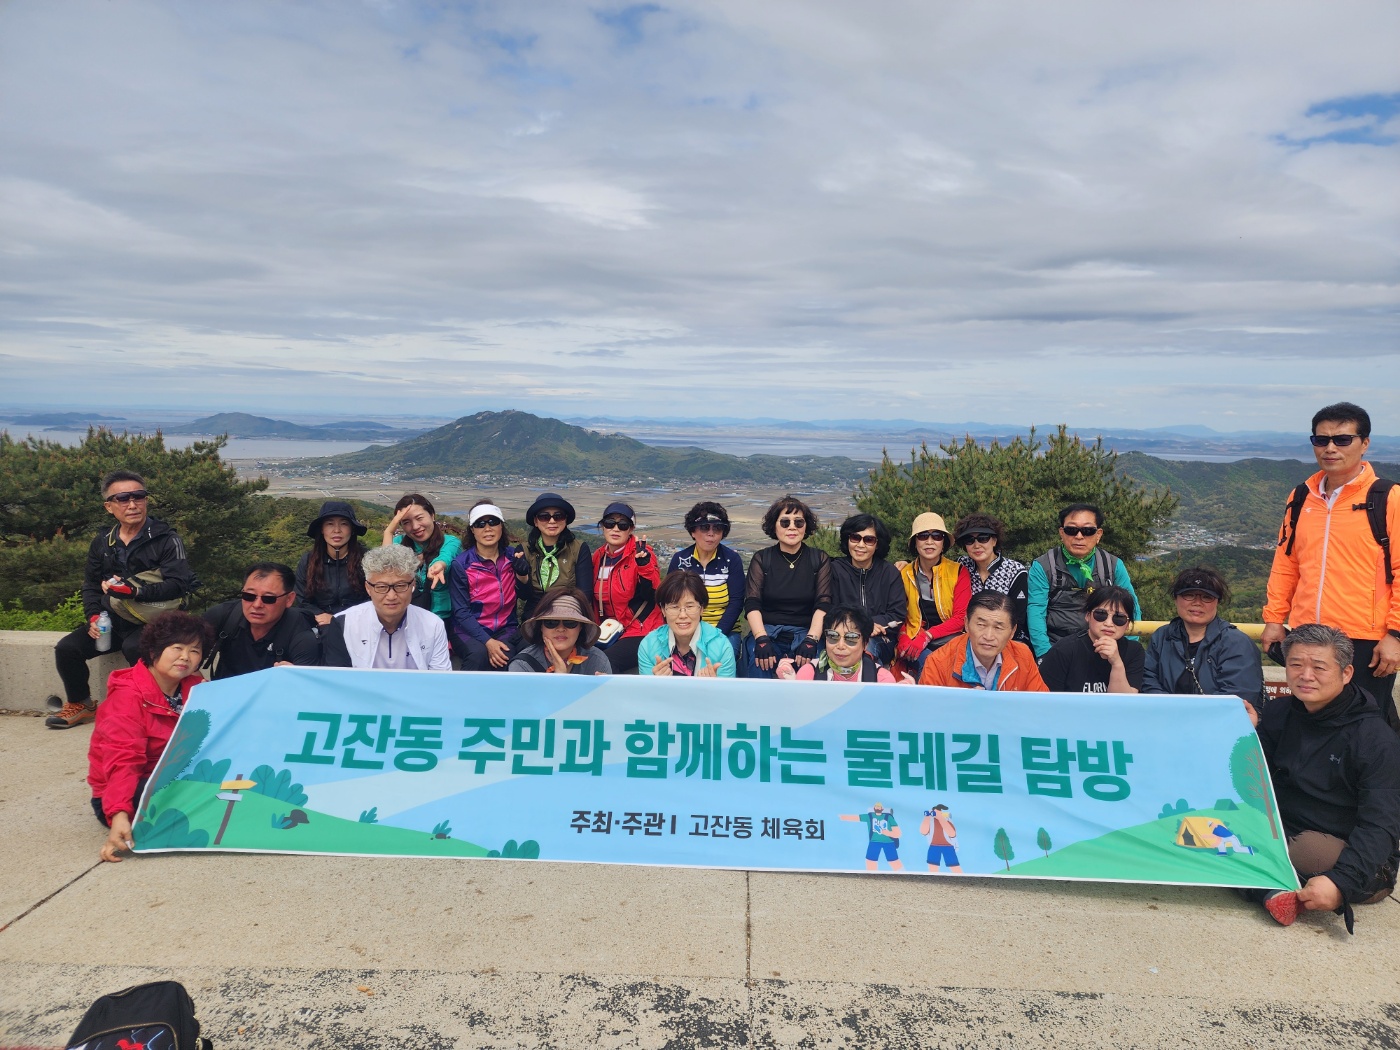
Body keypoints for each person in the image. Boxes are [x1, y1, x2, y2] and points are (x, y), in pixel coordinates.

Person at [1241, 624, 1400, 930]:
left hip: (1346, 848)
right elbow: (1250, 780)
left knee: (1309, 852)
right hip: (1285, 827)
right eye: (1296, 665)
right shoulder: (1279, 713)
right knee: (1215, 828)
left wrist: (1341, 882)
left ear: (1347, 673)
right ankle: (1271, 890)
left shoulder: (1374, 738)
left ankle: (1268, 880)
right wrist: (1245, 734)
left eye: (1319, 667)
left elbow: (1382, 824)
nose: (1306, 675)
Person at [1261, 402, 1400, 729]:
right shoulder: (1300, 498)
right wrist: (1273, 619)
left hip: (1365, 640)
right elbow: (1286, 563)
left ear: (1364, 443)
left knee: (1365, 729)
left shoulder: (1388, 498)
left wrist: (1395, 634)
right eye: (1321, 440)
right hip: (1307, 633)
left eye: (1342, 440)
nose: (1330, 448)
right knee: (1311, 722)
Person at [49, 470, 199, 729]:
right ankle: (81, 704)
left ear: (146, 500)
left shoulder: (166, 539)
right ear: (109, 506)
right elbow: (91, 585)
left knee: (135, 648)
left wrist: (136, 591)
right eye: (122, 498)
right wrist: (94, 616)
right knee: (67, 649)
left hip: (156, 620)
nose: (132, 504)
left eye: (139, 496)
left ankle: (158, 709)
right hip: (114, 619)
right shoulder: (103, 542)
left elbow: (179, 585)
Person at [88, 611, 212, 862]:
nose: (185, 657)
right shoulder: (127, 699)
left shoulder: (196, 689)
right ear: (154, 651)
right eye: (176, 648)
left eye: (195, 651)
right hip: (131, 790)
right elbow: (122, 760)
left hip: (172, 777)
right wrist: (119, 814)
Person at [1026, 503, 1141, 659]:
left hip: (1103, 647)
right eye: (1071, 530)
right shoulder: (1043, 566)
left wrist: (1125, 651)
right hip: (1057, 645)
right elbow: (1036, 611)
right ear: (1062, 533)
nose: (1079, 536)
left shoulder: (1113, 566)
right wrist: (1045, 654)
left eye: (1088, 531)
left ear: (1098, 534)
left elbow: (1131, 607)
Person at [1142, 567, 1265, 709]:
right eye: (1189, 595)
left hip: (1219, 726)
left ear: (1217, 602)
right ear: (1175, 599)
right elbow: (1148, 680)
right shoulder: (1162, 637)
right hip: (1166, 720)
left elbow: (1237, 697)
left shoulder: (1236, 643)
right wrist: (1168, 711)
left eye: (1206, 597)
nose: (1197, 602)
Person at [743, 495, 833, 679]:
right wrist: (760, 638)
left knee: (817, 671)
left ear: (806, 526)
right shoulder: (762, 559)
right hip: (768, 630)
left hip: (807, 632)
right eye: (785, 522)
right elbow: (752, 603)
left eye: (798, 522)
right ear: (774, 526)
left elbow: (823, 603)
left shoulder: (819, 559)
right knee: (759, 664)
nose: (792, 527)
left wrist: (811, 640)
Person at [321, 544, 452, 670]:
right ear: (368, 588)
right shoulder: (344, 623)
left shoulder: (433, 625)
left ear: (413, 585)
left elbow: (441, 681)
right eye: (381, 587)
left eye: (400, 585)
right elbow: (337, 682)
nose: (391, 596)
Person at [201, 563, 320, 679]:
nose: (257, 605)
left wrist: (296, 677)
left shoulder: (301, 635)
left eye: (268, 598)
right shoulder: (224, 615)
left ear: (289, 599)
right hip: (225, 694)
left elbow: (308, 687)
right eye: (249, 596)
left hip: (275, 695)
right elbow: (184, 646)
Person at [447, 502, 527, 671]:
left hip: (505, 627)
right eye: (480, 524)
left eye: (493, 522)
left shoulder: (513, 557)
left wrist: (523, 575)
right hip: (467, 629)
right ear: (472, 530)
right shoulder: (462, 565)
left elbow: (526, 593)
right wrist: (487, 642)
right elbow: (461, 612)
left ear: (501, 527)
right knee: (477, 656)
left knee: (506, 656)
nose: (487, 528)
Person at [919, 592, 1048, 691]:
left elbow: (1041, 707)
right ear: (967, 624)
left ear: (1012, 631)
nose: (988, 636)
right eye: (981, 625)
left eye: (998, 627)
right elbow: (929, 716)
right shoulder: (938, 662)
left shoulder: (1023, 655)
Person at [894, 513, 971, 678]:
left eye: (936, 536)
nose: (930, 541)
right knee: (928, 663)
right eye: (923, 536)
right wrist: (903, 636)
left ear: (943, 542)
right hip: (914, 639)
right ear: (915, 542)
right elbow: (899, 614)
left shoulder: (958, 572)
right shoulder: (903, 574)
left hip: (949, 639)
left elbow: (960, 617)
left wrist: (928, 635)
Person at [668, 502, 745, 663]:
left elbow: (736, 603)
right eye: (704, 527)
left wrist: (715, 635)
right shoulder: (681, 560)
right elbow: (670, 600)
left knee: (720, 664)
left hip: (725, 630)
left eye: (717, 529)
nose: (711, 534)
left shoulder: (731, 560)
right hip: (684, 629)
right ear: (693, 531)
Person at [591, 502, 663, 673]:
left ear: (631, 529)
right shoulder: (598, 557)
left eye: (623, 525)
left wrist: (644, 566)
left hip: (640, 629)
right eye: (610, 523)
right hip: (608, 630)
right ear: (602, 527)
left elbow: (653, 594)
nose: (615, 529)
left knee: (604, 664)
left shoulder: (642, 554)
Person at [829, 514, 905, 665]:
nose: (861, 545)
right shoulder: (834, 570)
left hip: (879, 638)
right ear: (847, 539)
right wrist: (862, 625)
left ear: (878, 544)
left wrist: (872, 625)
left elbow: (898, 614)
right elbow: (829, 609)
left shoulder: (889, 573)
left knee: (865, 650)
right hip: (840, 636)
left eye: (869, 540)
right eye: (855, 538)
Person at [1038, 586, 1144, 694]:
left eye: (1119, 618)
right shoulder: (1064, 650)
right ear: (1088, 615)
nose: (1108, 623)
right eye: (1101, 614)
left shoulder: (1134, 651)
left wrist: (1117, 664)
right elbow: (1047, 702)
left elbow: (1124, 706)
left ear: (1128, 624)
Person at [639, 571, 736, 677]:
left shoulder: (721, 647)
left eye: (690, 606)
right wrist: (655, 685)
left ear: (701, 608)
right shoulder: (648, 646)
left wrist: (712, 688)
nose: (682, 615)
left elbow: (726, 693)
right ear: (663, 610)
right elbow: (646, 693)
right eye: (674, 607)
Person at [383, 494, 461, 623]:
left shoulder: (450, 542)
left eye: (419, 518)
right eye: (406, 522)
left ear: (432, 515)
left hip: (442, 619)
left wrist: (439, 565)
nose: (415, 527)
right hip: (406, 619)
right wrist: (388, 532)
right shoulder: (397, 543)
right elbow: (385, 570)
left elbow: (446, 556)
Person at [516, 492, 594, 620]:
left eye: (558, 516)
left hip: (568, 612)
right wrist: (522, 576)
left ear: (565, 520)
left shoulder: (579, 548)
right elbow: (524, 596)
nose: (552, 521)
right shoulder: (525, 550)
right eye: (544, 516)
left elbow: (585, 594)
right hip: (534, 614)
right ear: (536, 521)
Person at [954, 513, 1029, 644]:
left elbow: (1018, 618)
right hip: (969, 638)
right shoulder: (961, 565)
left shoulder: (1014, 570)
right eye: (969, 540)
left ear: (994, 541)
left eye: (983, 538)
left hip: (1007, 639)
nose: (976, 545)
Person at [777, 604, 899, 683]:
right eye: (832, 636)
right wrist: (791, 685)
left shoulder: (881, 680)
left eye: (851, 638)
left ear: (865, 644)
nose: (840, 646)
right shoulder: (809, 673)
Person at [295, 500, 369, 625]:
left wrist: (339, 619)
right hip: (319, 625)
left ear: (352, 529)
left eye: (344, 524)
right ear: (322, 529)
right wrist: (320, 615)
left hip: (359, 624)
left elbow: (374, 598)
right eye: (330, 524)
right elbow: (302, 600)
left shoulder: (367, 559)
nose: (337, 530)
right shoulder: (308, 561)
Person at [508, 586, 610, 675]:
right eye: (551, 622)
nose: (561, 629)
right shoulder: (522, 667)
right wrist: (560, 678)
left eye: (570, 623)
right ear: (541, 627)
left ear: (581, 627)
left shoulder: (597, 660)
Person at [838, 802, 903, 871]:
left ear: (882, 808)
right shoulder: (869, 816)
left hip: (888, 842)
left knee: (894, 862)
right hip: (874, 842)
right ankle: (871, 876)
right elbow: (857, 818)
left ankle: (902, 874)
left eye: (879, 806)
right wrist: (842, 817)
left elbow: (898, 833)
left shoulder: (889, 817)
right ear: (874, 808)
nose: (878, 808)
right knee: (870, 861)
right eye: (876, 806)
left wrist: (888, 833)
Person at [920, 804, 962, 873]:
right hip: (934, 846)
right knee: (932, 868)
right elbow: (923, 832)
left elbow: (952, 834)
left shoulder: (947, 820)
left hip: (948, 847)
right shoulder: (930, 822)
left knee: (955, 867)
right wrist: (927, 817)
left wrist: (940, 818)